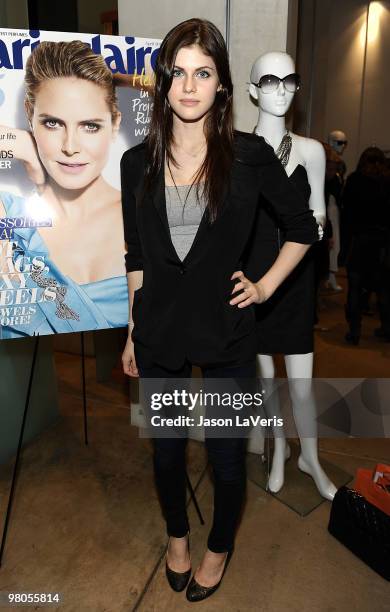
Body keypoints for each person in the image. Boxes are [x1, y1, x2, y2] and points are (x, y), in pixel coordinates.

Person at [121, 18, 318, 602]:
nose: (188, 86)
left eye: (202, 73)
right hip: (159, 331)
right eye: (177, 73)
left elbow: (302, 227)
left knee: (229, 463)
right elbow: (137, 256)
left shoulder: (250, 157)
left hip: (228, 332)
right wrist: (134, 330)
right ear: (162, 83)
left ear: (221, 87)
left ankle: (218, 547)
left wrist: (262, 287)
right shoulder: (136, 164)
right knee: (167, 453)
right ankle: (177, 537)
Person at [246, 51, 336, 500]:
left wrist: (310, 225)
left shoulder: (311, 151)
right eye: (269, 80)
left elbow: (319, 215)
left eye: (288, 80)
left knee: (301, 387)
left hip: (296, 281)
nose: (280, 89)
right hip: (254, 282)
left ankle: (311, 458)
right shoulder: (240, 151)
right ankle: (280, 447)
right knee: (268, 384)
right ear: (252, 90)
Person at [0, 40, 128, 338]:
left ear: (115, 124)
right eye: (53, 123)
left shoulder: (144, 215)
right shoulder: (10, 217)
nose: (70, 147)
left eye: (90, 126)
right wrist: (30, 160)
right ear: (29, 115)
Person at [343, 147, 388, 345]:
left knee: (355, 288)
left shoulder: (353, 180)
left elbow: (347, 213)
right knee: (384, 290)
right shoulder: (387, 183)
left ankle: (354, 332)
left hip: (360, 242)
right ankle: (387, 330)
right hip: (383, 244)